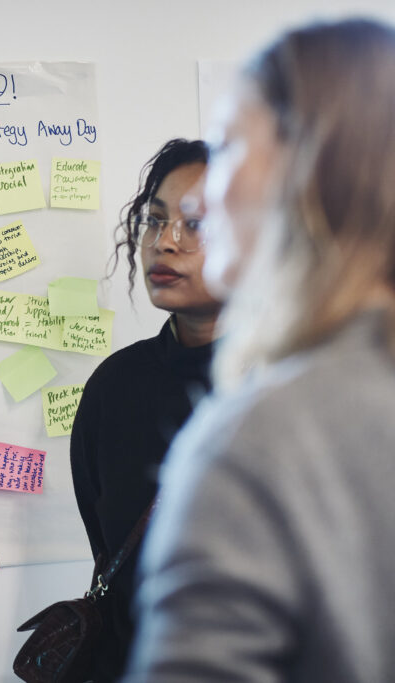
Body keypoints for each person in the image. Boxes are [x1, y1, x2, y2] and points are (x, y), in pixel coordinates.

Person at [126, 19, 395, 682]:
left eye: (228, 147)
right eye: (157, 217)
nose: (197, 201)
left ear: (305, 166)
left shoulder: (258, 439)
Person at [68, 138, 222, 682]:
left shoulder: (297, 391)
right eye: (155, 221)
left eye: (196, 224)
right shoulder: (114, 388)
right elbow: (109, 556)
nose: (165, 243)